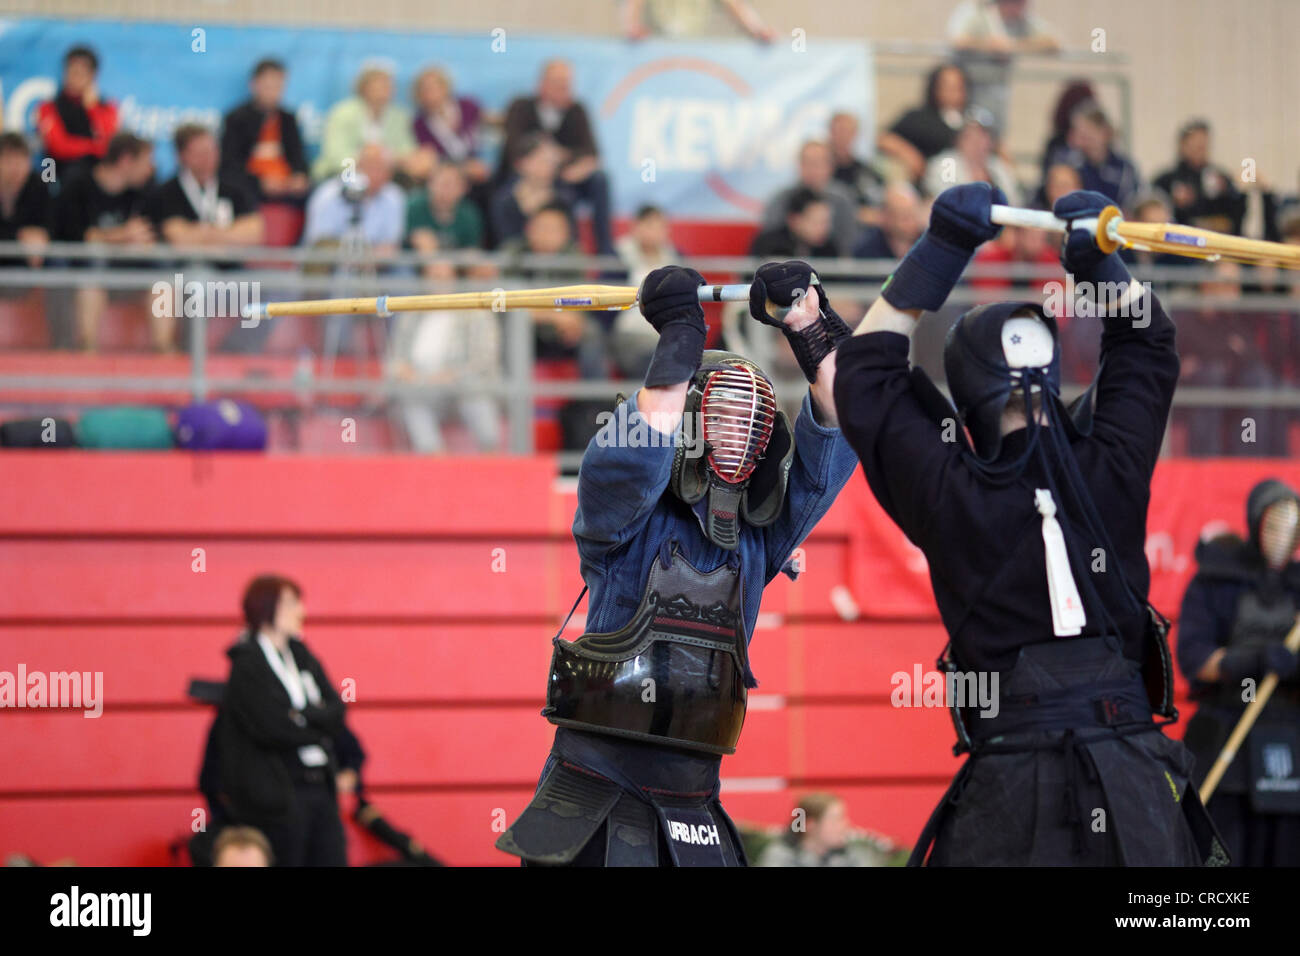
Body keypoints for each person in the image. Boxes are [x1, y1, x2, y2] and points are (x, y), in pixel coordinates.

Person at [830, 182, 1227, 866]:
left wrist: (943, 247)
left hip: (1011, 794)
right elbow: (1148, 342)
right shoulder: (1112, 466)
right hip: (1134, 786)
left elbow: (864, 374)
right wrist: (1101, 267)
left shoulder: (950, 490)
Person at [496, 261, 859, 866]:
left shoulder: (759, 537)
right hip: (595, 790)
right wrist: (680, 332)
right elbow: (640, 443)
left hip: (694, 798)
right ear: (691, 418)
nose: (739, 435)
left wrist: (808, 321)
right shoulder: (621, 518)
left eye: (752, 423)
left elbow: (842, 420)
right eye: (722, 417)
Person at [1177, 479, 1300, 866]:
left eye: (1291, 528)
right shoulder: (1217, 579)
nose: (1282, 537)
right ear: (1255, 522)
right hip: (1227, 737)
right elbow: (1195, 659)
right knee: (1225, 852)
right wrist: (1252, 660)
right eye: (1274, 524)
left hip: (1288, 743)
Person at [215, 575, 348, 867]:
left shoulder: (301, 655)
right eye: (291, 603)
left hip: (320, 788)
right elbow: (272, 729)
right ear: (266, 607)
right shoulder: (247, 662)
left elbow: (337, 710)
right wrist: (313, 721)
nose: (301, 612)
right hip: (281, 796)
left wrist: (300, 715)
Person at [48, 132, 156, 351]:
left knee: (164, 280)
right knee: (91, 279)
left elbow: (148, 236)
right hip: (83, 273)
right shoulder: (77, 183)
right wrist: (121, 236)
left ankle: (165, 356)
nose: (150, 169)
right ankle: (87, 353)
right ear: (126, 161)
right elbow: (73, 237)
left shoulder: (146, 191)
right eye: (146, 162)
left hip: (128, 271)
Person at [498, 60, 613, 254]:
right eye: (559, 84)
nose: (565, 89)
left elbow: (590, 154)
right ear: (542, 84)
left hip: (562, 177)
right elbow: (514, 149)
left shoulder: (577, 110)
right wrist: (545, 161)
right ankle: (513, 252)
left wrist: (555, 160)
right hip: (523, 175)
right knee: (511, 196)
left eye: (568, 84)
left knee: (599, 180)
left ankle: (603, 250)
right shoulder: (520, 106)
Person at [946, 0, 1061, 135]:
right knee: (967, 132)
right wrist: (989, 46)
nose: (1021, 9)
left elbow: (1053, 43)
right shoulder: (978, 14)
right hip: (970, 88)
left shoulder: (1022, 21)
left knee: (994, 134)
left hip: (998, 91)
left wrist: (1013, 46)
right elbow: (957, 41)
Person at [313, 63, 428, 185]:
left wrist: (387, 156)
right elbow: (336, 155)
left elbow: (407, 151)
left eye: (388, 85)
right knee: (352, 182)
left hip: (386, 174)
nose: (384, 90)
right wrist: (365, 158)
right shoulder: (343, 113)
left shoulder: (399, 116)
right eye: (379, 85)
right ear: (364, 87)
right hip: (345, 170)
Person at [219, 58, 310, 204]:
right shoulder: (236, 119)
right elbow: (229, 167)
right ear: (254, 85)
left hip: (285, 185)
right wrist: (259, 182)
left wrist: (299, 176)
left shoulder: (288, 119)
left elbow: (299, 158)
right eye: (268, 85)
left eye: (278, 86)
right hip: (251, 186)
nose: (273, 91)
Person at [610, 204, 679, 378]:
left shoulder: (676, 260)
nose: (654, 232)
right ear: (636, 227)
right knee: (656, 360)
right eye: (649, 225)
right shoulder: (616, 258)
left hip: (668, 333)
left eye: (660, 227)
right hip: (629, 334)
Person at [36, 45, 119, 184]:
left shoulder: (106, 108)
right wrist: (93, 147)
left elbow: (108, 144)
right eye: (72, 70)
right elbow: (57, 147)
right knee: (49, 166)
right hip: (58, 168)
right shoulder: (48, 108)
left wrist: (92, 108)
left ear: (93, 76)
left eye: (82, 72)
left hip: (95, 170)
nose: (76, 76)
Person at [761, 141, 861, 255]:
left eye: (818, 163)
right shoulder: (780, 199)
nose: (813, 169)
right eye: (807, 163)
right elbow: (769, 239)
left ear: (831, 167)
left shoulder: (843, 200)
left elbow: (849, 243)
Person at [877, 64, 969, 187]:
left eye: (957, 87)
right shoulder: (919, 118)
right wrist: (909, 154)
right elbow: (884, 139)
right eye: (947, 86)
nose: (953, 92)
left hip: (966, 181)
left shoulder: (972, 119)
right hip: (932, 184)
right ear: (935, 88)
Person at [1153, 120, 1246, 235]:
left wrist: (1232, 192)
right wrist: (1178, 206)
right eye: (1195, 143)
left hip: (1217, 242)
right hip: (1181, 244)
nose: (1200, 148)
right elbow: (1156, 220)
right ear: (1182, 145)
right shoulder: (1166, 180)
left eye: (1203, 144)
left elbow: (1237, 217)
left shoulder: (1221, 178)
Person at [1042, 105, 1141, 211]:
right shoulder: (1066, 160)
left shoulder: (1124, 169)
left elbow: (1133, 203)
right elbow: (1048, 194)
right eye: (1078, 132)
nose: (1079, 138)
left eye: (1087, 133)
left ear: (1105, 133)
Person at [489, 132, 573, 248]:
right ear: (523, 163)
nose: (550, 167)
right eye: (543, 160)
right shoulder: (504, 200)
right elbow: (503, 241)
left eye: (553, 162)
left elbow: (571, 240)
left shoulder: (564, 199)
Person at [756, 793, 887, 866]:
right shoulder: (780, 857)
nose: (845, 825)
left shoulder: (852, 855)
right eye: (837, 819)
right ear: (811, 826)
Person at [923, 108, 1021, 204]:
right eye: (971, 135)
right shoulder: (947, 163)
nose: (977, 141)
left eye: (983, 135)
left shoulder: (998, 167)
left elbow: (1013, 201)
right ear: (959, 139)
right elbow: (944, 198)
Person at [0, 133, 51, 269]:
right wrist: (20, 235)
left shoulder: (39, 186)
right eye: (9, 160)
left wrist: (40, 237)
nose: (15, 168)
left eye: (21, 160)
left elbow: (48, 226)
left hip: (26, 261)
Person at [750, 187, 839, 260]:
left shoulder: (829, 249)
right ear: (794, 220)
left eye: (825, 222)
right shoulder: (769, 245)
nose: (823, 229)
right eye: (815, 222)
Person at [623, 0, 776, 41]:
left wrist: (757, 29)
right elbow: (632, 5)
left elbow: (736, 5)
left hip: (693, 55)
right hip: (653, 57)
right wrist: (632, 26)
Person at [852, 182, 925, 260]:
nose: (911, 223)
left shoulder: (929, 244)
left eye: (913, 215)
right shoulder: (867, 248)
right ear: (887, 217)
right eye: (904, 217)